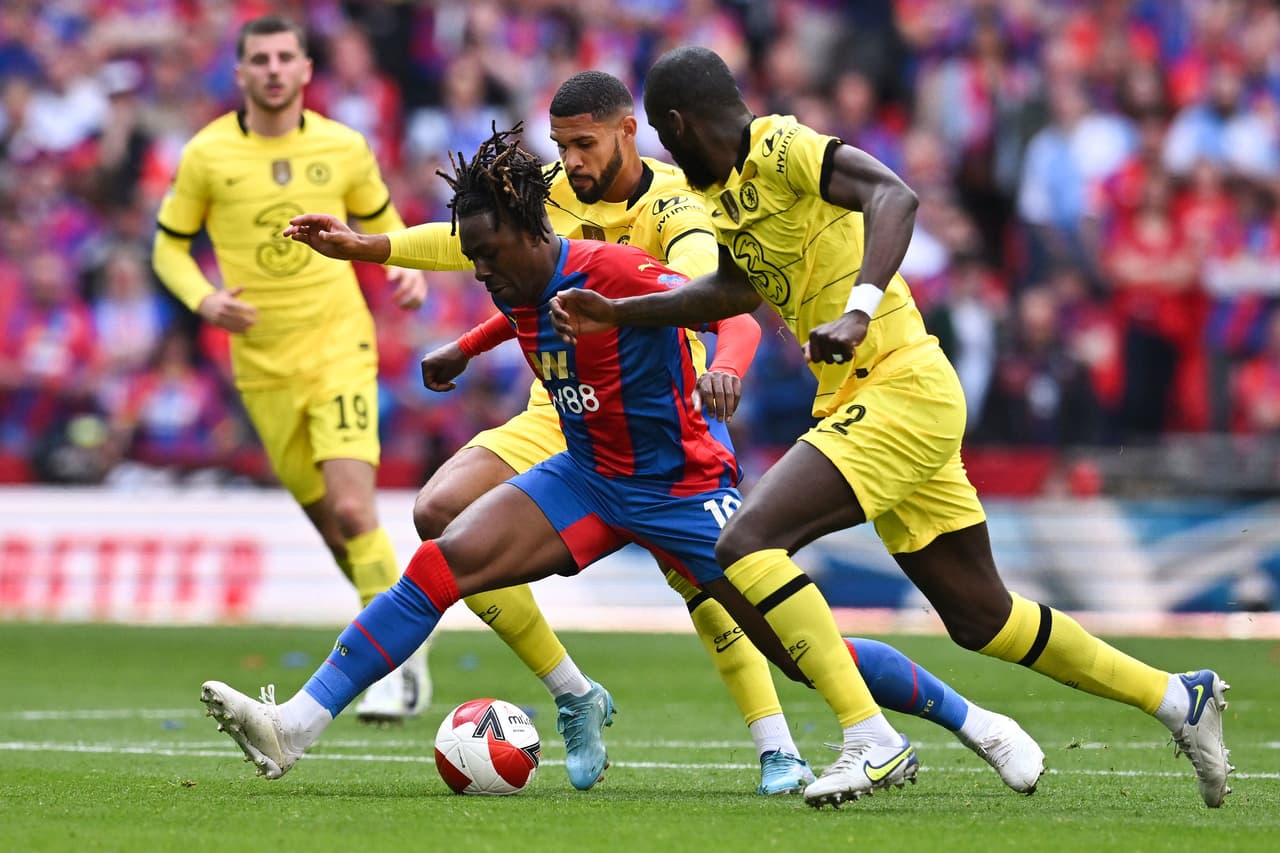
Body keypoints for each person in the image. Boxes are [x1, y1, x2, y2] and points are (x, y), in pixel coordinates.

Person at [199, 128, 1043, 800]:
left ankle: (971, 717)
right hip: (586, 478)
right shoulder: (523, 286)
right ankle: (296, 727)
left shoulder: (614, 270)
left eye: (491, 257)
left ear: (535, 235)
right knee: (440, 557)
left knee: (794, 648)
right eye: (478, 261)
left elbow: (730, 307)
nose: (485, 274)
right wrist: (461, 341)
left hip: (683, 490)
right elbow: (514, 299)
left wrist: (725, 364)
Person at [549, 46, 1234, 809]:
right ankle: (1178, 696)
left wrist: (859, 307)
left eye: (664, 139)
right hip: (872, 401)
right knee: (983, 617)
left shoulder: (780, 147)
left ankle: (869, 737)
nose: (661, 154)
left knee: (745, 542)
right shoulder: (723, 199)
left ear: (676, 125)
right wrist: (620, 312)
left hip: (901, 385)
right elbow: (733, 288)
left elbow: (895, 196)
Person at [151, 15, 428, 722]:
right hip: (262, 367)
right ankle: (403, 645)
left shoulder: (343, 146)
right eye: (259, 59)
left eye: (285, 58)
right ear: (241, 73)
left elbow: (381, 220)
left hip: (339, 346)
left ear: (307, 69)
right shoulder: (208, 154)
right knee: (337, 532)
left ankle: (393, 667)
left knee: (351, 505)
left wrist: (405, 269)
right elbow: (169, 249)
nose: (273, 69)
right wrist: (204, 298)